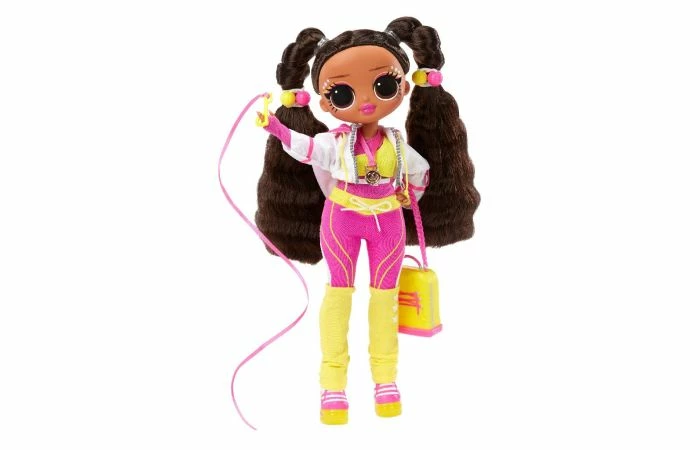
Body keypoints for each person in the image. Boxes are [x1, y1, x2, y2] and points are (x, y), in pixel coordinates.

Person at [254, 17, 480, 425]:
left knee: (384, 298)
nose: (367, 101)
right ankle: (333, 384)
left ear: (404, 88)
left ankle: (385, 378)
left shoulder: (397, 144)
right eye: (342, 93)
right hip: (341, 219)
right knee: (338, 295)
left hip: (387, 222)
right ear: (325, 103)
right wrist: (275, 126)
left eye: (384, 85)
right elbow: (305, 148)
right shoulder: (335, 142)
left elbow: (421, 172)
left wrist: (409, 196)